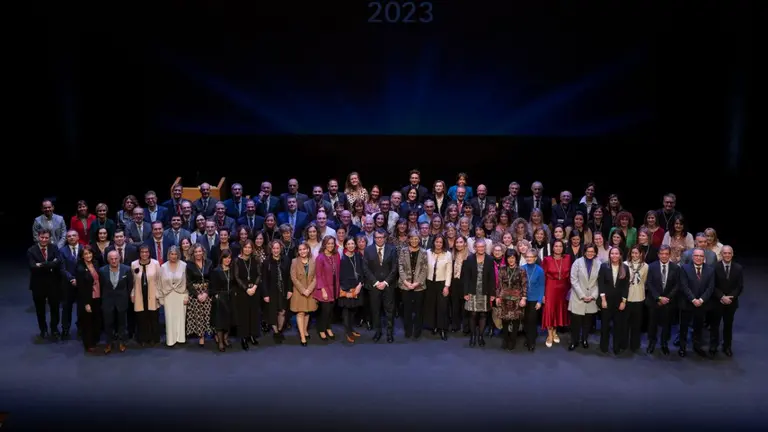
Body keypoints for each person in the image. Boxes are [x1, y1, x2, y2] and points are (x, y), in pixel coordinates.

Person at [363, 228, 398, 343]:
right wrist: (376, 283)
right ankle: (377, 332)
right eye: (377, 237)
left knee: (389, 311)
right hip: (374, 286)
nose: (379, 239)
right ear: (374, 238)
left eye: (381, 237)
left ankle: (389, 333)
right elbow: (366, 268)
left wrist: (386, 282)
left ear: (385, 238)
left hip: (388, 285)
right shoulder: (368, 250)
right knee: (375, 310)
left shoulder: (392, 250)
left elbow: (395, 268)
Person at [678, 247, 714, 358]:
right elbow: (684, 286)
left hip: (702, 304)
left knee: (698, 327)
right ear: (692, 257)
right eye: (696, 256)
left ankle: (697, 346)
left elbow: (710, 288)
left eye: (701, 256)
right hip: (688, 303)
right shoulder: (684, 268)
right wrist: (693, 299)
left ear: (704, 258)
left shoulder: (710, 270)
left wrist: (701, 300)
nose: (698, 258)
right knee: (683, 327)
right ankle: (682, 347)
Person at [644, 245, 680, 355]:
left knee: (667, 324)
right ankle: (652, 342)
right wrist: (658, 298)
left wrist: (667, 298)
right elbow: (649, 284)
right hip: (654, 301)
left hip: (669, 302)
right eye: (662, 253)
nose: (664, 256)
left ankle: (664, 343)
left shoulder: (676, 268)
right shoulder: (651, 266)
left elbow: (677, 285)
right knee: (652, 324)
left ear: (669, 255)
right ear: (658, 254)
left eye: (666, 254)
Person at [27, 229, 61, 340]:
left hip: (53, 284)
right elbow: (32, 266)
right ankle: (43, 330)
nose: (44, 240)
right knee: (40, 309)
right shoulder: (31, 250)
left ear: (49, 238)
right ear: (38, 237)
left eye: (46, 238)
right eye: (42, 237)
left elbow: (58, 262)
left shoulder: (54, 248)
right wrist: (50, 264)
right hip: (38, 285)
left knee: (55, 308)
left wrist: (41, 264)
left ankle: (54, 329)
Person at [462, 240, 495, 347]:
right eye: (478, 247)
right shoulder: (470, 259)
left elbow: (492, 278)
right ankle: (473, 336)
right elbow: (466, 277)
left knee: (483, 314)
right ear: (475, 247)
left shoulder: (490, 259)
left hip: (485, 291)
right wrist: (465, 292)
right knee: (472, 314)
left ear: (485, 247)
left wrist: (492, 293)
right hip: (472, 291)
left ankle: (480, 336)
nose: (481, 249)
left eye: (483, 247)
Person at [99, 250, 133, 353]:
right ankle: (109, 343)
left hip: (121, 301)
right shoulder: (102, 270)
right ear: (108, 260)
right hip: (107, 301)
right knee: (108, 323)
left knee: (122, 323)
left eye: (116, 258)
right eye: (111, 259)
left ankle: (122, 342)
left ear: (119, 258)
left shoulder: (126, 269)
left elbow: (130, 286)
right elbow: (101, 286)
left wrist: (126, 297)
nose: (114, 261)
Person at [710, 245, 742, 357]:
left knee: (728, 326)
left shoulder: (738, 268)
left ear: (732, 254)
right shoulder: (714, 267)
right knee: (715, 325)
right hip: (717, 302)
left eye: (729, 253)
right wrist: (722, 297)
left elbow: (739, 287)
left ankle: (727, 346)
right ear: (721, 254)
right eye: (725, 253)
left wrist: (730, 297)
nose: (727, 255)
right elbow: (712, 285)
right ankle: (713, 346)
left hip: (731, 303)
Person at [568, 243, 600, 351]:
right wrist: (582, 295)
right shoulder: (577, 262)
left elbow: (599, 283)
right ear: (584, 251)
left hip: (591, 298)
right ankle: (574, 341)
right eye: (588, 251)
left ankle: (584, 339)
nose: (590, 253)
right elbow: (573, 280)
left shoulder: (599, 264)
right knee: (575, 322)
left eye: (592, 251)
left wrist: (593, 296)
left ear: (595, 252)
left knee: (587, 322)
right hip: (578, 297)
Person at [597, 247, 629, 355]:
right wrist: (603, 300)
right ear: (609, 255)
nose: (614, 255)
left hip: (619, 302)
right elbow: (601, 284)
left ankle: (616, 347)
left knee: (618, 326)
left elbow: (626, 287)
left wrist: (623, 301)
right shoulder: (604, 266)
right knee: (605, 325)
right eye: (612, 253)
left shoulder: (625, 268)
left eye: (617, 253)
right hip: (606, 301)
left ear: (620, 255)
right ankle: (604, 347)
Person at [234, 239, 264, 350]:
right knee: (243, 315)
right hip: (243, 291)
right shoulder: (237, 261)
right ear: (242, 248)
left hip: (255, 290)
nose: (247, 249)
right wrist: (246, 289)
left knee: (254, 314)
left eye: (250, 247)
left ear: (252, 249)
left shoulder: (255, 260)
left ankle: (252, 335)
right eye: (246, 247)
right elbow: (236, 277)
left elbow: (259, 275)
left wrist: (255, 287)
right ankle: (244, 337)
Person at [495, 249, 527, 350]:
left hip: (516, 299)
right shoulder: (502, 269)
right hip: (504, 298)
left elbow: (524, 285)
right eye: (509, 258)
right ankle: (505, 339)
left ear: (516, 258)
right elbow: (499, 285)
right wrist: (497, 297)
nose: (511, 260)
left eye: (513, 257)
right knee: (505, 320)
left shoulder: (521, 270)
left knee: (516, 320)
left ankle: (513, 340)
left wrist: (524, 298)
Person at [130, 245, 162, 346]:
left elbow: (159, 280)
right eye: (142, 252)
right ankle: (143, 338)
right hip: (139, 293)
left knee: (153, 317)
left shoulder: (155, 263)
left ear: (149, 253)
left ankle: (154, 338)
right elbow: (133, 282)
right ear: (139, 253)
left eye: (146, 252)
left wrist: (158, 294)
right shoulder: (133, 264)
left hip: (152, 293)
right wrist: (133, 294)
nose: (144, 254)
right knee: (141, 317)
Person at [290, 242, 318, 346]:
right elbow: (293, 278)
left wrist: (309, 289)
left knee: (307, 312)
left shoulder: (314, 260)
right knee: (300, 312)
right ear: (298, 251)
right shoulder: (294, 261)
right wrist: (303, 290)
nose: (302, 251)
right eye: (300, 250)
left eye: (304, 249)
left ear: (308, 250)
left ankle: (305, 330)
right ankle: (302, 336)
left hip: (310, 291)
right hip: (299, 292)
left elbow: (316, 277)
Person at [158, 246, 188, 347]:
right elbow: (160, 283)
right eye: (172, 254)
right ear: (168, 255)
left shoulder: (184, 265)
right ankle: (171, 340)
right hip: (168, 296)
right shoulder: (163, 267)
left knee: (180, 318)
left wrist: (186, 296)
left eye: (175, 254)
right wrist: (161, 297)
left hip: (181, 295)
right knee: (170, 318)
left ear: (178, 254)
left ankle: (180, 339)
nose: (174, 256)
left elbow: (187, 282)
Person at [75, 245, 102, 353]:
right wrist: (86, 303)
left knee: (96, 320)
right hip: (87, 298)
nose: (88, 255)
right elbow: (81, 288)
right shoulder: (80, 268)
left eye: (89, 253)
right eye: (85, 254)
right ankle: (89, 343)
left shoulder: (95, 263)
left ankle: (95, 340)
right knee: (87, 322)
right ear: (82, 256)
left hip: (98, 295)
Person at [338, 238, 364, 343]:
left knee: (354, 309)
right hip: (347, 288)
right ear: (345, 246)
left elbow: (362, 271)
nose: (351, 245)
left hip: (357, 287)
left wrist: (359, 285)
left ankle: (351, 329)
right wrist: (349, 291)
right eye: (348, 244)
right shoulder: (342, 259)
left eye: (352, 243)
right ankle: (347, 332)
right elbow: (341, 276)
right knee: (347, 311)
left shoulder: (358, 256)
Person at [314, 236, 340, 341]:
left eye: (332, 243)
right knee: (325, 311)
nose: (330, 245)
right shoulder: (320, 257)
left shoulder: (336, 255)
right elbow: (318, 275)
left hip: (335, 287)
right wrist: (323, 290)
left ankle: (328, 328)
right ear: (324, 244)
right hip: (324, 288)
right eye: (328, 243)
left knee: (331, 311)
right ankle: (321, 329)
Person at [209, 249, 235, 352]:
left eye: (229, 258)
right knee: (220, 322)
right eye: (225, 258)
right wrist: (216, 296)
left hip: (231, 297)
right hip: (220, 298)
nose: (227, 260)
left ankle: (225, 338)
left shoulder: (232, 270)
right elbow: (212, 287)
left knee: (229, 320)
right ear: (221, 258)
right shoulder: (216, 271)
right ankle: (220, 342)